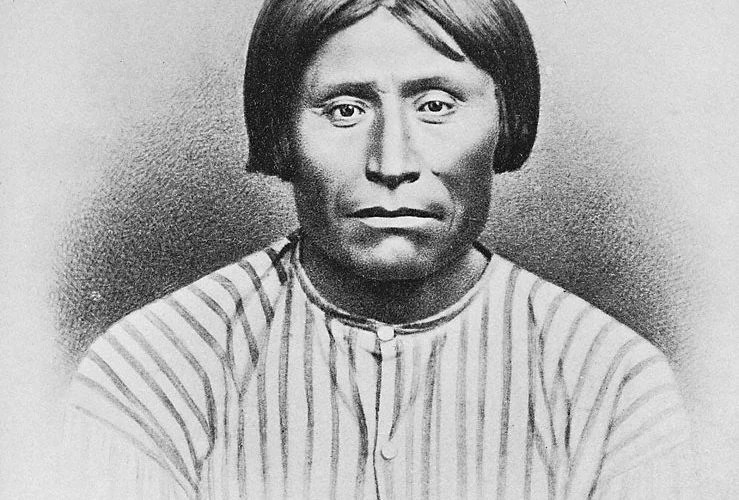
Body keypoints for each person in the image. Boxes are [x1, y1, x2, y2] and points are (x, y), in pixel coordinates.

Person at [63, 0, 695, 498]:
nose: (392, 162)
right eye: (344, 110)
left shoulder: (610, 384)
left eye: (436, 105)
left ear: (506, 121)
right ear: (282, 131)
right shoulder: (153, 371)